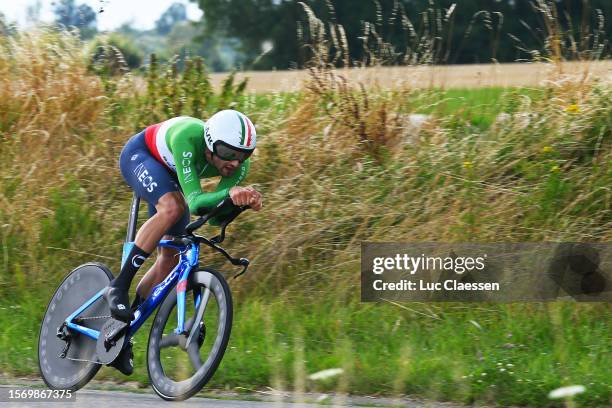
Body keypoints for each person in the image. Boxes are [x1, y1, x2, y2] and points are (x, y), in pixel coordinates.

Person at [104, 110, 263, 375]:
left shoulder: (238, 164)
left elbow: (211, 218)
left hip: (172, 177)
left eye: (242, 154)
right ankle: (118, 286)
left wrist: (238, 204)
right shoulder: (188, 137)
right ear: (211, 143)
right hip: (141, 155)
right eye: (227, 152)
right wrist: (230, 193)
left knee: (170, 259)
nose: (234, 163)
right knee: (172, 207)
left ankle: (120, 333)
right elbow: (197, 202)